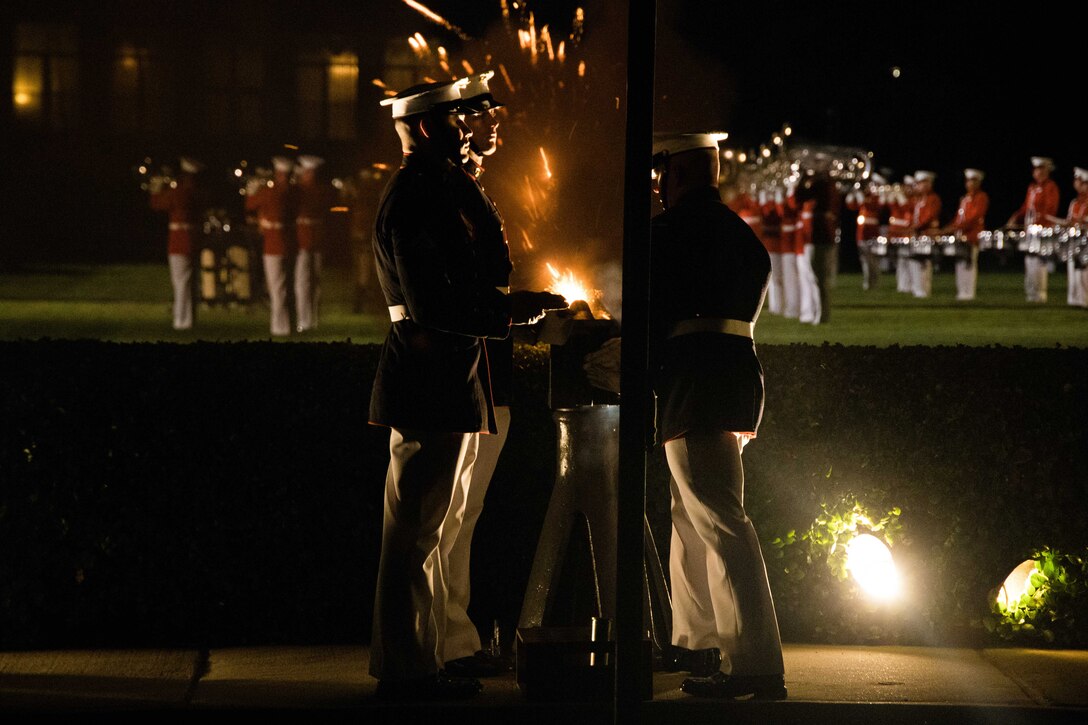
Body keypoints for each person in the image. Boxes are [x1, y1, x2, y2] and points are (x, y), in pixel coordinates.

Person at [368, 79, 564, 701]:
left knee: (426, 529)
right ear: (428, 127)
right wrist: (514, 311)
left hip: (443, 372)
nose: (470, 127)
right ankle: (407, 672)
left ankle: (420, 661)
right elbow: (432, 302)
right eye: (458, 118)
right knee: (416, 533)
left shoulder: (435, 187)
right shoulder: (419, 194)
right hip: (429, 373)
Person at [649, 132, 786, 700]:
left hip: (693, 385)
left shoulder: (668, 231)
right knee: (698, 518)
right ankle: (707, 645)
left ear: (676, 175)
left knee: (719, 522)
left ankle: (751, 664)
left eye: (663, 175)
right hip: (732, 380)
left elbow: (654, 309)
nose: (658, 187)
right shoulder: (738, 230)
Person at [438, 70, 515, 678]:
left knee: (466, 512)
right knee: (449, 513)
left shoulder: (468, 187)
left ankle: (454, 634)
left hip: (489, 376)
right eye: (482, 113)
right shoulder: (451, 192)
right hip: (467, 373)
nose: (495, 123)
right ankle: (447, 638)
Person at [149, 156, 205, 330]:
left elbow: (157, 204)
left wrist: (156, 189)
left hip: (179, 241)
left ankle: (181, 320)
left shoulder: (179, 192)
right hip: (193, 240)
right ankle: (187, 318)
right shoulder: (197, 192)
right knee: (189, 283)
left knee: (180, 282)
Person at [246, 155, 297, 335]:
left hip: (273, 245)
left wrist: (252, 190)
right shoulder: (293, 193)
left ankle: (280, 327)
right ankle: (289, 324)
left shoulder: (272, 192)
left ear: (278, 174)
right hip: (289, 244)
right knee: (286, 287)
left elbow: (250, 204)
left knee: (276, 288)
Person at [1007, 156, 1060, 303]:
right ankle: (1031, 294)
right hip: (1030, 231)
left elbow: (1050, 210)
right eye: (1036, 169)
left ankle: (1040, 295)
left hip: (1041, 231)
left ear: (1047, 171)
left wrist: (1036, 222)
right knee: (1029, 261)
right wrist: (1015, 217)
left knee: (1039, 262)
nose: (1038, 172)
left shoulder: (1051, 187)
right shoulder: (1032, 188)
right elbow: (1026, 207)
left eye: (1041, 169)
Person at [293, 154, 334, 332]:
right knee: (312, 283)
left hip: (305, 239)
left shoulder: (303, 190)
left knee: (304, 283)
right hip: (315, 239)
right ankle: (311, 320)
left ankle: (305, 321)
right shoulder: (319, 190)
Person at [945, 168, 989, 301]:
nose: (970, 183)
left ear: (979, 182)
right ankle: (961, 292)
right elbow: (959, 218)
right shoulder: (965, 198)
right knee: (960, 264)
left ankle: (968, 293)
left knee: (969, 264)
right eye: (968, 180)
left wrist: (951, 229)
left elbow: (973, 218)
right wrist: (949, 227)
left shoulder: (981, 197)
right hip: (960, 235)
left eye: (973, 180)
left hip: (971, 236)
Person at [1052, 166, 1088, 307]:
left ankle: (1085, 301)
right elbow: (1070, 221)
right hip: (1075, 240)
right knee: (1073, 270)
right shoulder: (1075, 203)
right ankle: (1075, 299)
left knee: (1084, 271)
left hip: (1085, 241)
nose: (1077, 184)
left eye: (1080, 181)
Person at [845, 175, 885, 291]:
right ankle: (868, 283)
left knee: (873, 260)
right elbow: (851, 205)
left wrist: (860, 195)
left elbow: (872, 206)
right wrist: (852, 193)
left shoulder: (878, 197)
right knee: (865, 260)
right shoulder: (867, 196)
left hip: (873, 232)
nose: (870, 186)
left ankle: (874, 283)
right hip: (862, 232)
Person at [909, 170, 941, 298]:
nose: (918, 186)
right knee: (915, 262)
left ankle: (923, 291)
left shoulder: (933, 199)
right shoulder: (918, 200)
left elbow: (928, 217)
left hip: (926, 234)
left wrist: (915, 227)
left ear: (929, 184)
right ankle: (917, 289)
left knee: (924, 264)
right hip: (918, 234)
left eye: (921, 183)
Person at [890, 175, 915, 293]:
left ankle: (910, 285)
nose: (907, 189)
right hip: (898, 233)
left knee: (909, 260)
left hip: (908, 232)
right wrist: (891, 193)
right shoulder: (899, 198)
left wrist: (899, 195)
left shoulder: (914, 199)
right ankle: (902, 285)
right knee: (901, 261)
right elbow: (890, 205)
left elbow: (907, 208)